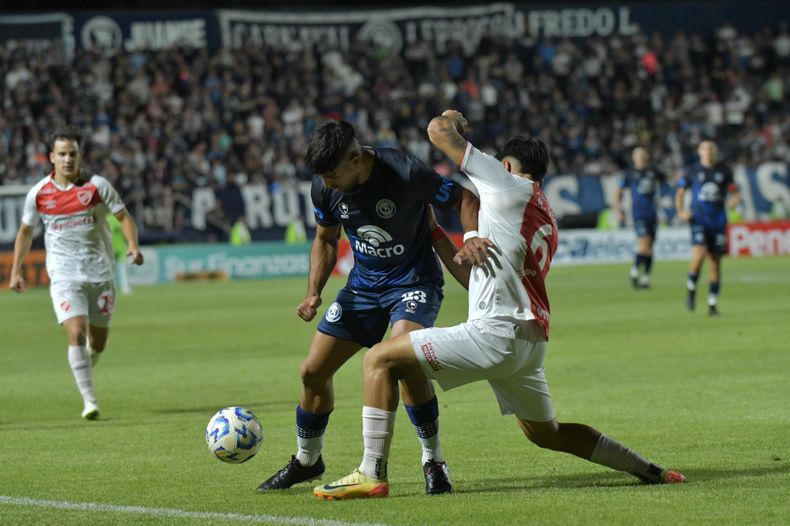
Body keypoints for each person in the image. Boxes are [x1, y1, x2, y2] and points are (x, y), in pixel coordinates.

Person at [313, 110, 684, 500]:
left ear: (506, 166)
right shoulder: (544, 215)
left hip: (495, 333)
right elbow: (486, 275)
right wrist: (444, 234)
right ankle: (650, 469)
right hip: (529, 344)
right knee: (547, 432)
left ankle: (371, 473)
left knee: (379, 360)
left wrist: (450, 119)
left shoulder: (506, 184)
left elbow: (438, 131)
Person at [256, 120, 479, 494]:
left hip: (413, 283)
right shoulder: (324, 186)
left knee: (402, 361)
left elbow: (464, 199)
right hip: (362, 288)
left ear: (357, 159)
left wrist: (471, 238)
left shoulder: (405, 172)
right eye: (322, 177)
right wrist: (314, 291)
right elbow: (326, 240)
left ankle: (433, 460)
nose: (327, 184)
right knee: (312, 371)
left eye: (333, 174)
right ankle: (308, 460)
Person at [8, 127, 144, 420]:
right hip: (64, 273)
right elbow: (25, 231)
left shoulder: (96, 186)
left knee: (98, 344)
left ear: (79, 156)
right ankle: (89, 401)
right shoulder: (39, 194)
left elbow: (123, 216)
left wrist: (132, 244)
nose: (68, 159)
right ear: (51, 158)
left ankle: (87, 359)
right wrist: (16, 271)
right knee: (76, 330)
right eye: (62, 154)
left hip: (100, 272)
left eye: (73, 154)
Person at [675, 140, 740, 316]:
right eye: (705, 148)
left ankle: (712, 304)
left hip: (718, 222)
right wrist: (680, 211)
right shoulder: (692, 171)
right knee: (699, 255)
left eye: (711, 148)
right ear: (699, 152)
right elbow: (680, 192)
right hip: (699, 220)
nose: (708, 151)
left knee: (715, 264)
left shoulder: (724, 171)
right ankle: (691, 288)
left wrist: (733, 202)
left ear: (715, 151)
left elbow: (734, 192)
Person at [613, 147, 666, 288]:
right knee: (644, 243)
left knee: (650, 247)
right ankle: (634, 272)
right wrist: (618, 210)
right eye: (637, 155)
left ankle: (645, 278)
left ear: (647, 156)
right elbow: (618, 192)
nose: (640, 157)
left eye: (643, 154)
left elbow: (668, 180)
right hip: (638, 213)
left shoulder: (653, 171)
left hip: (652, 213)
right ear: (633, 157)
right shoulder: (629, 173)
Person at [106, 212, 133, 295]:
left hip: (119, 247)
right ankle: (116, 288)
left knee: (121, 268)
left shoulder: (118, 218)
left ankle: (124, 287)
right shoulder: (107, 219)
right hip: (111, 247)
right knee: (112, 269)